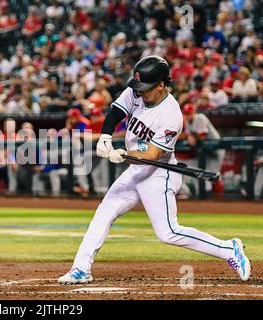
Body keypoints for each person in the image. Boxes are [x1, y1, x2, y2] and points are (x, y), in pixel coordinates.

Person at [58, 55, 251, 285]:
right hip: (135, 170)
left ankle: (229, 249)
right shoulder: (137, 91)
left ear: (161, 85)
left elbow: (151, 156)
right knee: (104, 212)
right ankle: (81, 268)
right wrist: (107, 137)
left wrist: (124, 154)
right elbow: (115, 112)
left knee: (168, 232)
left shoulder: (172, 116)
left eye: (146, 89)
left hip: (159, 174)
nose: (140, 93)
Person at [179, 103, 225, 198]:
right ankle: (210, 196)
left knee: (214, 173)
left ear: (193, 112)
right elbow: (190, 137)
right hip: (207, 150)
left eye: (189, 113)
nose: (187, 116)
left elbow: (202, 137)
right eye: (186, 113)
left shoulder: (200, 118)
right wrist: (189, 137)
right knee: (207, 174)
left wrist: (191, 137)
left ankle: (220, 198)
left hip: (216, 149)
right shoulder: (188, 122)